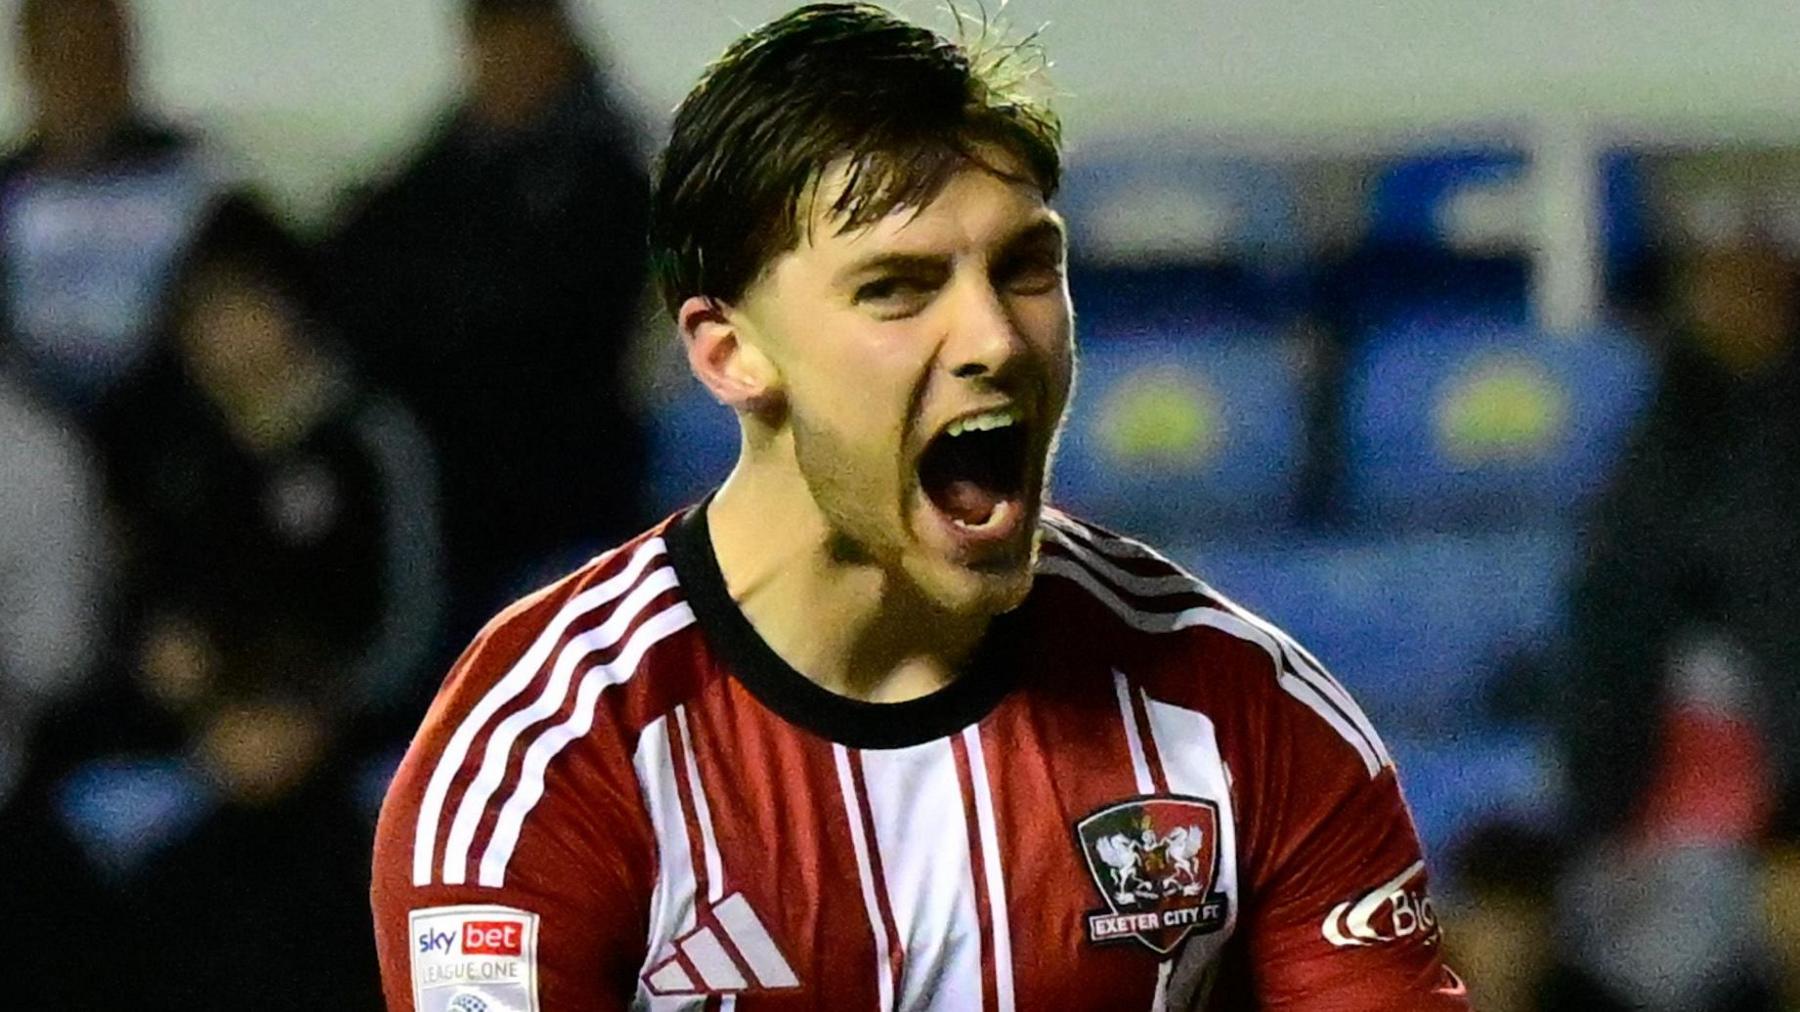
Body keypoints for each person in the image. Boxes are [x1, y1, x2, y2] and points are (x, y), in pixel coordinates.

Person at [371, 4, 1467, 1009]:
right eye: (896, 287)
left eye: (1026, 267)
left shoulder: (1241, 711)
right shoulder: (545, 763)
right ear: (730, 352)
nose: (995, 339)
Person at [327, 0, 652, 649]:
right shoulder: (444, 164)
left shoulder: (610, 171)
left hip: (557, 488)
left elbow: (569, 327)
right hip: (444, 479)